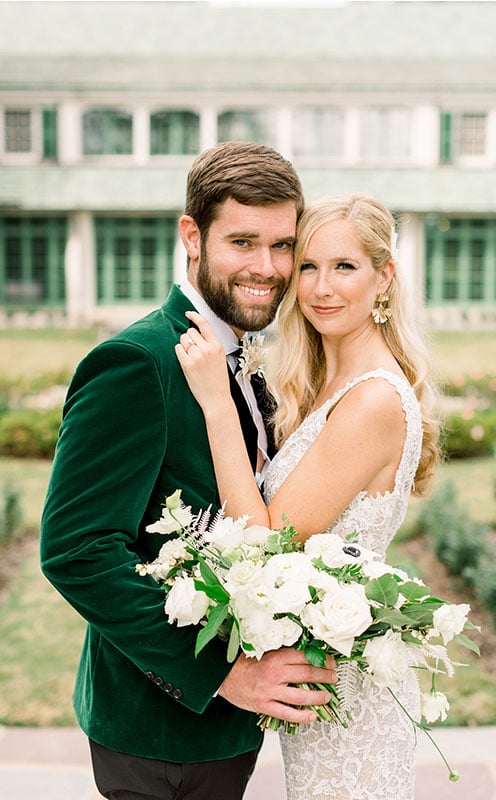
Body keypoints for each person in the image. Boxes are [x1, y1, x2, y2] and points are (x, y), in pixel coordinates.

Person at [40, 141, 338, 800]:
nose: (268, 268)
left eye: (283, 245)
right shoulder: (136, 362)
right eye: (243, 242)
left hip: (229, 733)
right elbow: (76, 550)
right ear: (192, 237)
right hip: (155, 733)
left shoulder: (250, 358)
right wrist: (224, 675)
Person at [175, 193, 440, 800]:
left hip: (350, 695)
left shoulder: (372, 399)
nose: (322, 287)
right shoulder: (325, 381)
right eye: (310, 267)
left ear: (384, 277)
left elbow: (267, 541)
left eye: (345, 267)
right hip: (323, 682)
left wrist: (217, 402)